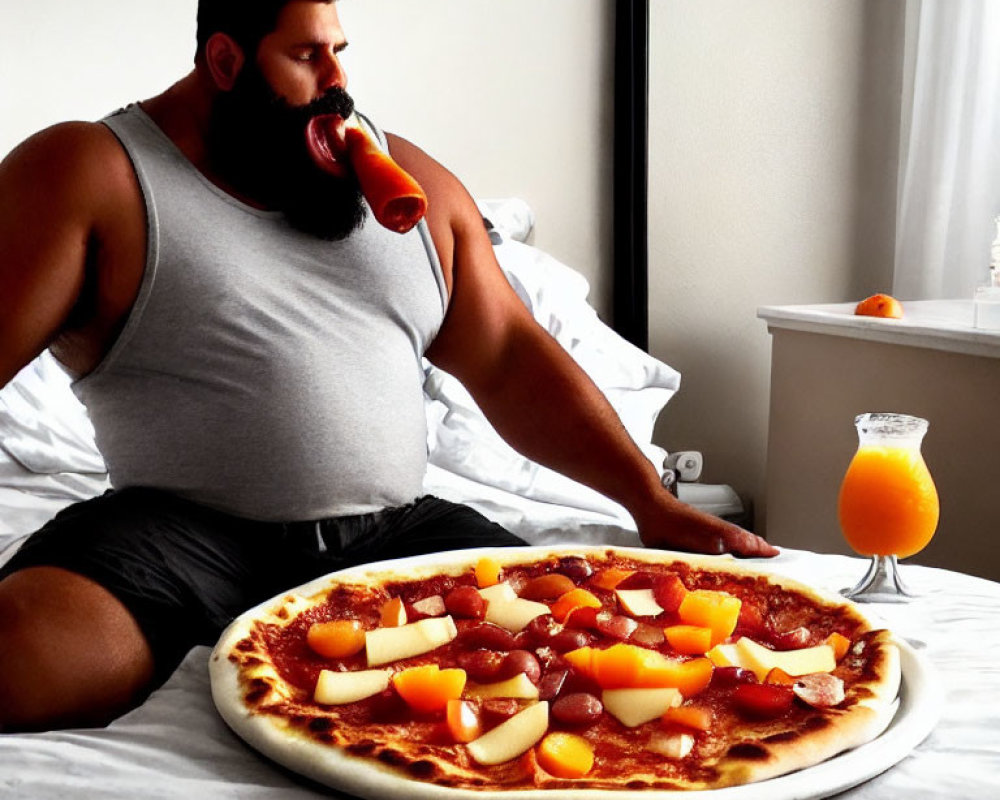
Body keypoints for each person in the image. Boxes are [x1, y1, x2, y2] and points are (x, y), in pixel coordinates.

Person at [0, 0, 778, 733]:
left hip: (395, 538)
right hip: (173, 541)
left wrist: (651, 503)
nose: (336, 82)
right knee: (21, 669)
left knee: (593, 656)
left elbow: (508, 358)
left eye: (338, 50)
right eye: (306, 55)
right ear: (226, 61)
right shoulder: (91, 171)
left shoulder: (412, 184)